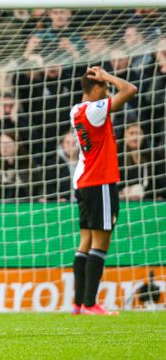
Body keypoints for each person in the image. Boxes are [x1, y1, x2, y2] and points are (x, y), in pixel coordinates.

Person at [70, 66, 137, 315]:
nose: (108, 91)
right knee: (101, 242)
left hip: (83, 181)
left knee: (85, 242)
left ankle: (78, 303)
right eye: (105, 88)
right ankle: (90, 304)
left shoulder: (76, 110)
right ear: (96, 88)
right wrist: (108, 76)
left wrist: (102, 80)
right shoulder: (95, 110)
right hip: (100, 181)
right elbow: (130, 89)